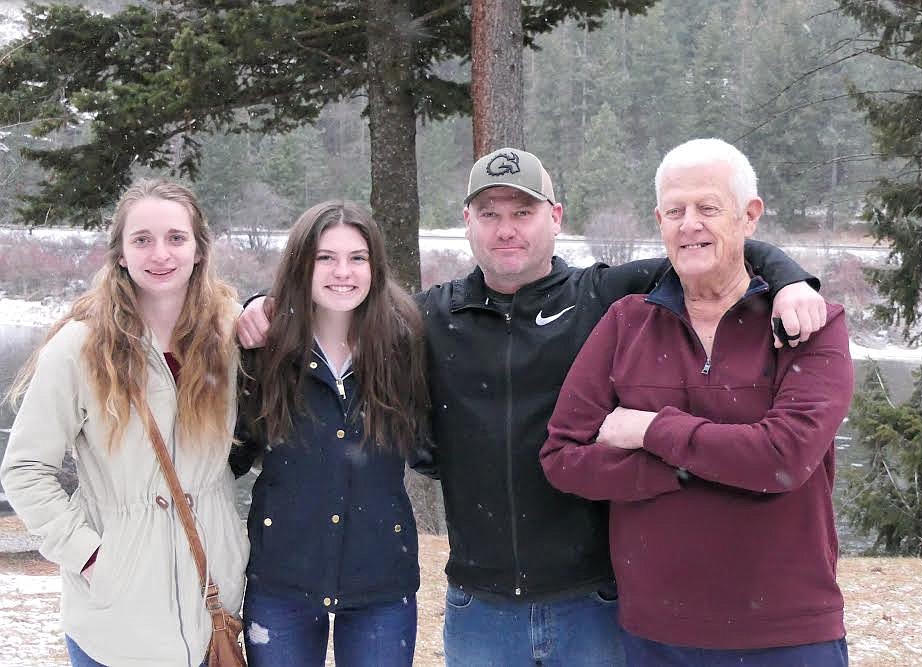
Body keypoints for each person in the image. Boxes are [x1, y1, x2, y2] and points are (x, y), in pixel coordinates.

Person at [236, 147, 828, 666]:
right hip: (479, 603)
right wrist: (261, 304)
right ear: (467, 222)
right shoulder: (429, 318)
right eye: (489, 214)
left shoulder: (603, 296)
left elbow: (710, 248)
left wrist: (791, 279)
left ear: (555, 217)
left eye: (523, 212)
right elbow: (336, 306)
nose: (506, 229)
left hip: (592, 596)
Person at [540, 138, 854, 666]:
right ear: (658, 219)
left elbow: (783, 459)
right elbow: (563, 457)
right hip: (657, 636)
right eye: (675, 211)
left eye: (709, 208)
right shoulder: (626, 322)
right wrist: (681, 472)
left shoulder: (808, 325)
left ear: (749, 216)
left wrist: (648, 431)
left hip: (788, 633)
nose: (690, 224)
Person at [0, 179, 248, 667]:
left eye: (176, 238)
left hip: (212, 602)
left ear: (199, 250)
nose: (160, 253)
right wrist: (93, 558)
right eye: (142, 240)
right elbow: (26, 469)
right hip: (114, 616)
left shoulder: (232, 334)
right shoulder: (79, 347)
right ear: (120, 254)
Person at [229, 201, 430, 667]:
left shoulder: (405, 344)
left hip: (380, 579)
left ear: (375, 266)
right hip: (282, 579)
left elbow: (430, 442)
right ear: (302, 263)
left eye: (357, 257)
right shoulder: (266, 347)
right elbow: (232, 453)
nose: (343, 272)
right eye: (325, 257)